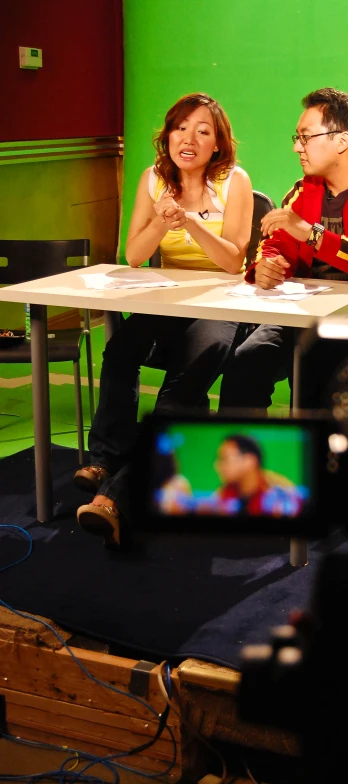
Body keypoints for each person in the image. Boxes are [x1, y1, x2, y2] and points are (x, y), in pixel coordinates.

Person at [75, 92, 253, 546]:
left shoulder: (236, 182)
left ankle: (114, 497)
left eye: (203, 130)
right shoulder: (154, 179)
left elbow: (234, 262)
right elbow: (134, 255)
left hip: (222, 303)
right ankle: (106, 459)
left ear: (218, 144)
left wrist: (191, 222)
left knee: (182, 387)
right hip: (169, 300)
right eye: (180, 127)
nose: (188, 138)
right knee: (118, 351)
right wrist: (160, 222)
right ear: (168, 136)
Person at [218, 87, 348, 414]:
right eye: (296, 138)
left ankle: (316, 457)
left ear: (341, 141)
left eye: (305, 137)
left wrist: (313, 234)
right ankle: (241, 454)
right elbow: (274, 244)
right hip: (302, 317)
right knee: (245, 363)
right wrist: (266, 266)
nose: (295, 147)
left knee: (317, 366)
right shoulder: (301, 192)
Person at [197, 434, 305, 517]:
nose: (217, 465)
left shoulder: (281, 500)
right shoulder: (226, 494)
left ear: (249, 461)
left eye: (224, 459)